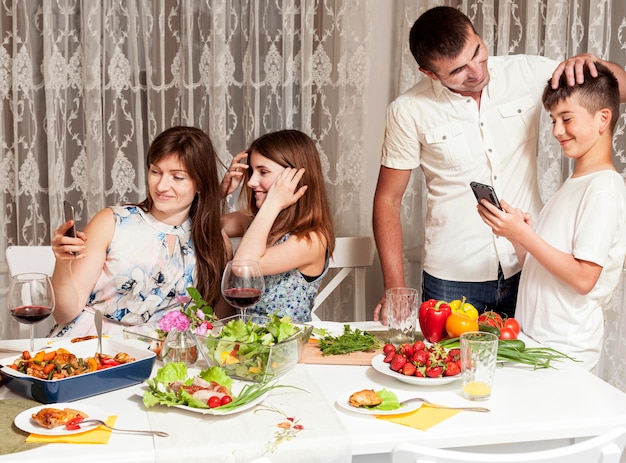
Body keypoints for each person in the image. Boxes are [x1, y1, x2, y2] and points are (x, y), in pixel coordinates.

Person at [372, 6, 626, 322]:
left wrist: (592, 63)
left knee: (526, 367)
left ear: (477, 36)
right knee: (447, 368)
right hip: (452, 279)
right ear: (430, 73)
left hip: (528, 267)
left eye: (477, 53)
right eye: (457, 71)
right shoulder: (407, 110)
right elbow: (388, 199)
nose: (476, 72)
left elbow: (618, 91)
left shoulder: (528, 72)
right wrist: (395, 287)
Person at [477, 63, 626, 372]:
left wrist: (523, 235)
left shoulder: (603, 188)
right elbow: (546, 269)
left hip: (565, 351)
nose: (557, 130)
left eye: (566, 119)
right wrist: (517, 235)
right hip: (536, 342)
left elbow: (584, 278)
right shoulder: (574, 184)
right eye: (553, 120)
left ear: (603, 118)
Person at [50, 126, 231, 337]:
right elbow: (64, 314)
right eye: (155, 172)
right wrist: (62, 263)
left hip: (163, 356)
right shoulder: (111, 222)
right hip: (92, 343)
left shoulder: (214, 241)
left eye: (177, 177)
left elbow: (217, 322)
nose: (162, 186)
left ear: (200, 183)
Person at [221, 129, 335, 323]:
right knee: (218, 235)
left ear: (295, 178)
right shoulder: (254, 221)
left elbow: (242, 266)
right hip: (241, 342)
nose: (251, 182)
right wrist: (220, 193)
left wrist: (273, 202)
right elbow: (201, 226)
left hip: (284, 346)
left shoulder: (311, 239)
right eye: (251, 172)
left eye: (263, 172)